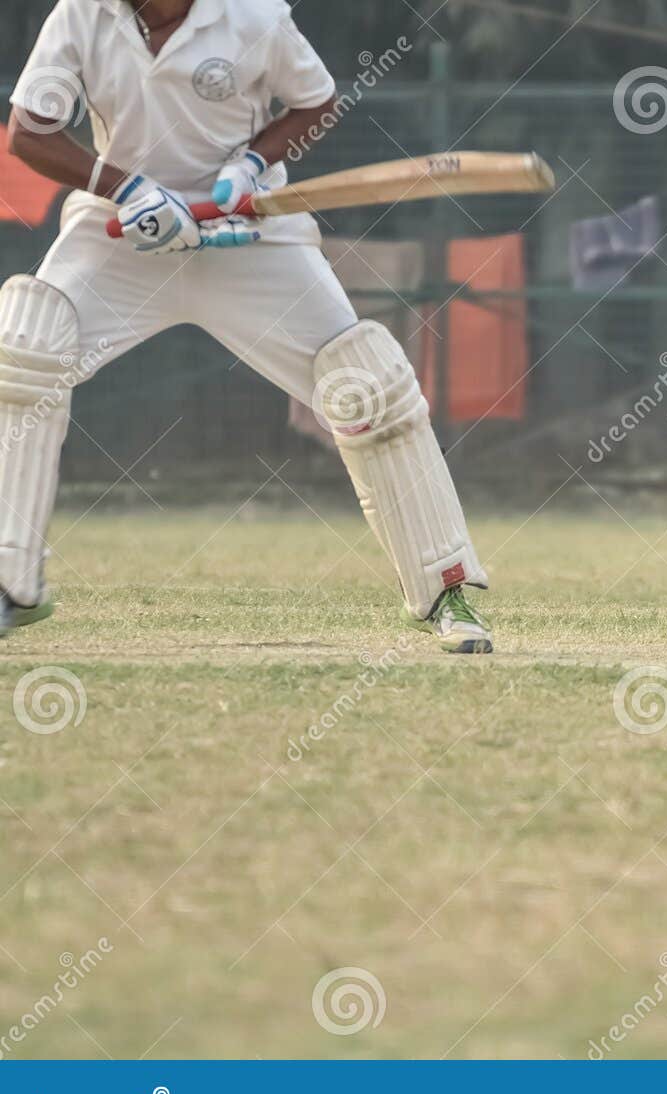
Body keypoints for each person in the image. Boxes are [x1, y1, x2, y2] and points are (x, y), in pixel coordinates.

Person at [2, 0, 492, 653]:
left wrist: (250, 166)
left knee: (367, 385)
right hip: (123, 236)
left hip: (251, 235)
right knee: (24, 351)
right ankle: (9, 584)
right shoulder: (83, 13)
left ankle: (445, 590)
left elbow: (315, 101)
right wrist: (129, 189)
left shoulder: (255, 15)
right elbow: (28, 133)